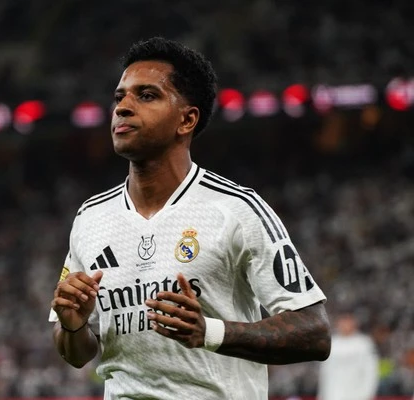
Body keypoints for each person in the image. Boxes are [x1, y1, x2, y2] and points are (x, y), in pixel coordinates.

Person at [49, 37, 331, 399]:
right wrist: (72, 327)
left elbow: (314, 332)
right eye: (119, 97)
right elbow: (77, 354)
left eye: (146, 95)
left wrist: (209, 332)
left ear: (187, 119)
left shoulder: (237, 209)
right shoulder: (91, 217)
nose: (123, 108)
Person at [317, 312, 379, 400]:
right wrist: (321, 395)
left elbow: (371, 371)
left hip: (357, 395)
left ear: (354, 323)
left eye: (348, 322)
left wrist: (368, 394)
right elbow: (325, 372)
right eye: (342, 322)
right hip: (333, 395)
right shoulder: (332, 343)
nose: (345, 325)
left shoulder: (364, 344)